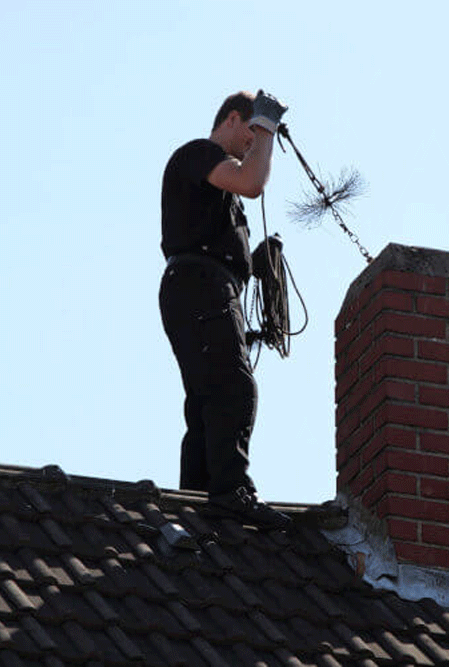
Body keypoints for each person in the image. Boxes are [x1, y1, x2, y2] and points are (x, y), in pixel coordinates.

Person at [159, 90, 290, 528]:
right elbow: (253, 183)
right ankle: (231, 491)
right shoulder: (198, 154)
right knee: (235, 388)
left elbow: (231, 209)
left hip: (201, 287)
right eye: (250, 136)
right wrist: (268, 126)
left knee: (206, 400)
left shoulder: (216, 190)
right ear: (233, 120)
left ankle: (196, 500)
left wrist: (254, 262)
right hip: (200, 286)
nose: (255, 149)